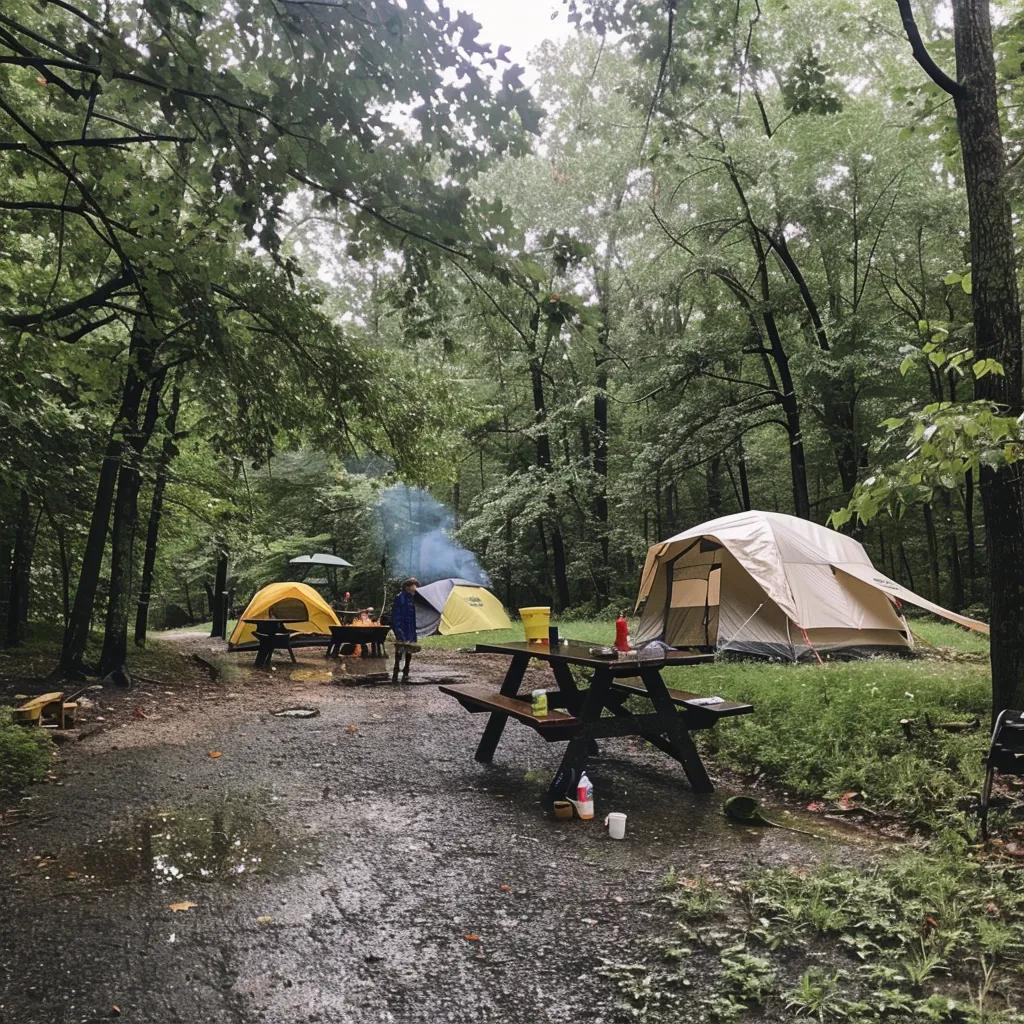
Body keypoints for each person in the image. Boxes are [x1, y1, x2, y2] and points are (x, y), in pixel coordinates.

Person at [390, 578, 419, 682]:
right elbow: (396, 615)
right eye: (413, 585)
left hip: (411, 628)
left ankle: (406, 670)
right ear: (408, 587)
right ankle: (396, 670)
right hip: (402, 627)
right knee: (400, 649)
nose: (415, 587)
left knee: (409, 649)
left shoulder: (412, 598)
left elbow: (413, 615)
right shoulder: (400, 598)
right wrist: (398, 630)